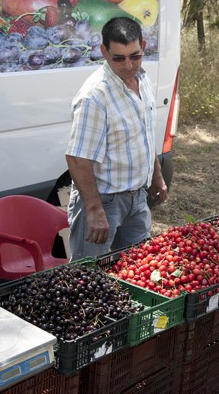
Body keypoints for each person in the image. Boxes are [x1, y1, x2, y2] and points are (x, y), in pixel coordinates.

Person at [65, 17, 168, 260]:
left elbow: (145, 134)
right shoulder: (94, 96)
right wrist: (94, 210)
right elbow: (78, 158)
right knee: (88, 277)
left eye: (135, 56)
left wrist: (156, 175)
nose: (128, 65)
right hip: (104, 202)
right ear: (104, 51)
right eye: (119, 58)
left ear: (143, 46)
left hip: (137, 198)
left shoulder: (142, 80)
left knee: (139, 268)